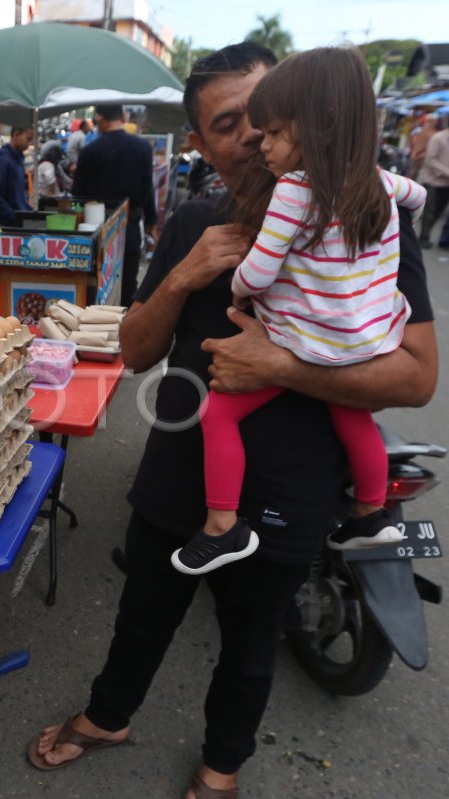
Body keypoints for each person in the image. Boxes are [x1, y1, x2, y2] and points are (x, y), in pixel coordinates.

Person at [26, 42, 437, 799]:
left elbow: (416, 376)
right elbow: (134, 350)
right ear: (202, 145)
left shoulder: (363, 215)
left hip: (294, 487)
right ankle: (110, 714)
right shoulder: (191, 220)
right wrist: (185, 275)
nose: (253, 134)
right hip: (180, 473)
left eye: (265, 114)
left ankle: (222, 766)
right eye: (229, 122)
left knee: (250, 645)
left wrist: (282, 367)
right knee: (142, 615)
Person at [171, 47, 428, 575]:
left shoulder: (293, 189)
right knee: (354, 419)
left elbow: (260, 272)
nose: (260, 143)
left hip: (298, 340)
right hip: (362, 345)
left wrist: (237, 290)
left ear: (319, 127)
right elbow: (418, 195)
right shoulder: (378, 184)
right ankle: (372, 512)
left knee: (217, 414)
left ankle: (222, 527)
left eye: (273, 133)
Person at [72, 104, 158, 304]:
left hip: (97, 228)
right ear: (123, 116)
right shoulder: (143, 148)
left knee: (97, 282)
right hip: (129, 227)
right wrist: (152, 222)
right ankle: (125, 328)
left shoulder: (90, 151)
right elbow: (148, 189)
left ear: (100, 118)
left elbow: (77, 194)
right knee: (128, 282)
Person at [0, 125, 34, 227]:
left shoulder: (18, 160)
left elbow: (19, 196)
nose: (29, 143)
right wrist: (11, 216)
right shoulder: (4, 160)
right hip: (10, 223)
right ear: (16, 134)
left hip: (20, 219)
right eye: (28, 139)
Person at [416, 117, 449, 249]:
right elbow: (430, 160)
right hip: (432, 181)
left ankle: (426, 235)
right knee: (429, 211)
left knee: (438, 211)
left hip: (446, 184)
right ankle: (424, 237)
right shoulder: (438, 138)